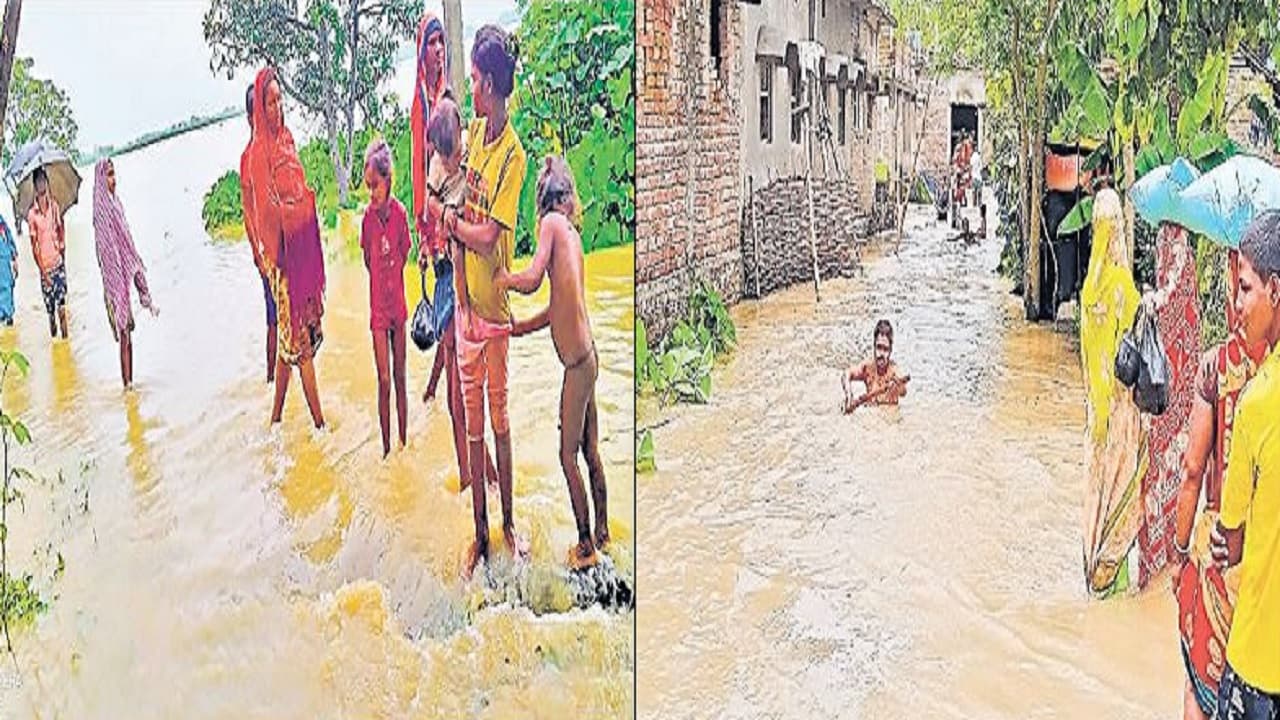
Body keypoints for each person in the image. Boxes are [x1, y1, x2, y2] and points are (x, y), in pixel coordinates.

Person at [425, 25, 527, 577]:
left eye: (474, 81)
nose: (471, 89)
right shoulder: (470, 146)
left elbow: (489, 237)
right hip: (465, 313)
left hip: (494, 313)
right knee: (472, 426)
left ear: (489, 84)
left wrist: (449, 222)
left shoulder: (512, 154)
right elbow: (448, 195)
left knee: (501, 418)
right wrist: (447, 218)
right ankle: (481, 534)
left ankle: (508, 524)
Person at [497, 156, 609, 569]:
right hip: (589, 357)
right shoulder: (573, 236)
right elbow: (558, 307)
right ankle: (603, 532)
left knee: (567, 456)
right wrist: (519, 328)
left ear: (545, 202)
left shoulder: (549, 226)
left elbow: (530, 279)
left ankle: (585, 545)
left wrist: (503, 278)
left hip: (576, 366)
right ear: (569, 199)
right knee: (591, 452)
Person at [1173, 248, 1263, 720]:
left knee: (1197, 685)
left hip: (1218, 553)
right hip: (1262, 563)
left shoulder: (1215, 367)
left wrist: (1178, 551)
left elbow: (1191, 470)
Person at [1210, 210, 1280, 719]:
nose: (1236, 305)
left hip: (1261, 661)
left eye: (1245, 288)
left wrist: (1221, 538)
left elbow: (1230, 540)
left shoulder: (1259, 401)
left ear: (1274, 291)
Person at [423, 96, 498, 491]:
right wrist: (445, 217)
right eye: (444, 156)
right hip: (450, 258)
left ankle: (483, 479)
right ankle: (477, 480)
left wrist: (454, 221)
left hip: (469, 252)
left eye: (454, 156)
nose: (451, 163)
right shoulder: (437, 163)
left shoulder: (473, 147)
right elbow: (429, 204)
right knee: (461, 392)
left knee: (467, 391)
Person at [245, 67, 327, 429]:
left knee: (288, 343)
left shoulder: (289, 139)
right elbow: (265, 213)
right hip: (284, 261)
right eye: (271, 102)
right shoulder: (257, 155)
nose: (278, 107)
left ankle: (275, 421)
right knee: (301, 345)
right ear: (259, 110)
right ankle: (321, 427)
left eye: (280, 100)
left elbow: (298, 186)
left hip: (304, 253)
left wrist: (304, 208)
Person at [1081, 187, 1145, 597]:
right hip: (1121, 415)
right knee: (1124, 495)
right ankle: (1117, 589)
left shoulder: (1089, 294)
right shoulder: (1124, 288)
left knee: (1097, 500)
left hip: (1094, 418)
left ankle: (1093, 582)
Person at [1135, 222, 1202, 589]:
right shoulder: (1169, 236)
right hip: (1168, 384)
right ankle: (1157, 563)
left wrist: (1150, 300)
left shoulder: (1177, 247)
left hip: (1176, 383)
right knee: (1160, 470)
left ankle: (1167, 558)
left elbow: (1171, 297)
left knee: (1172, 470)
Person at [360, 139, 410, 457]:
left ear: (388, 179)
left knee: (401, 375)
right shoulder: (367, 220)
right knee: (383, 378)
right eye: (367, 187)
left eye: (375, 185)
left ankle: (404, 441)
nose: (371, 193)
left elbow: (404, 252)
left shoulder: (401, 214)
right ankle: (387, 447)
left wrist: (392, 279)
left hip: (399, 309)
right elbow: (368, 260)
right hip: (378, 311)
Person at [93, 158, 157, 389]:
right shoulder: (100, 212)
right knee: (124, 337)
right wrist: (116, 286)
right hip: (113, 284)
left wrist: (138, 281)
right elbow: (106, 251)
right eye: (109, 175)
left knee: (128, 334)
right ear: (101, 179)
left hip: (123, 281)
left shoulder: (116, 204)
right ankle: (127, 385)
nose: (114, 179)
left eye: (114, 174)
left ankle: (130, 386)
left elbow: (126, 242)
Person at [241, 82, 278, 384]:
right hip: (268, 255)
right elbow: (248, 212)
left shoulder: (277, 146)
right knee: (274, 321)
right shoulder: (248, 158)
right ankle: (271, 381)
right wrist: (257, 254)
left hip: (287, 247)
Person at [27, 167, 68, 339]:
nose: (42, 184)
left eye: (44, 180)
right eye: (38, 181)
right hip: (45, 269)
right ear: (35, 186)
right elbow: (34, 247)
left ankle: (65, 345)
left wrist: (62, 247)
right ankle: (54, 338)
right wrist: (44, 273)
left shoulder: (55, 206)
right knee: (51, 311)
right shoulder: (32, 215)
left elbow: (60, 230)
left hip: (58, 264)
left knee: (62, 307)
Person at [842, 319, 910, 413]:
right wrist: (849, 396)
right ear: (874, 346)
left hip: (890, 421)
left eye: (885, 349)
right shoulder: (868, 368)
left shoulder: (894, 371)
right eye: (879, 347)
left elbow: (903, 392)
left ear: (890, 350)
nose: (881, 354)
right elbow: (846, 374)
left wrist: (899, 385)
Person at [0, 215, 16, 326]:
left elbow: (9, 237)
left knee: (9, 287)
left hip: (5, 262)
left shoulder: (1, 221)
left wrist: (14, 257)